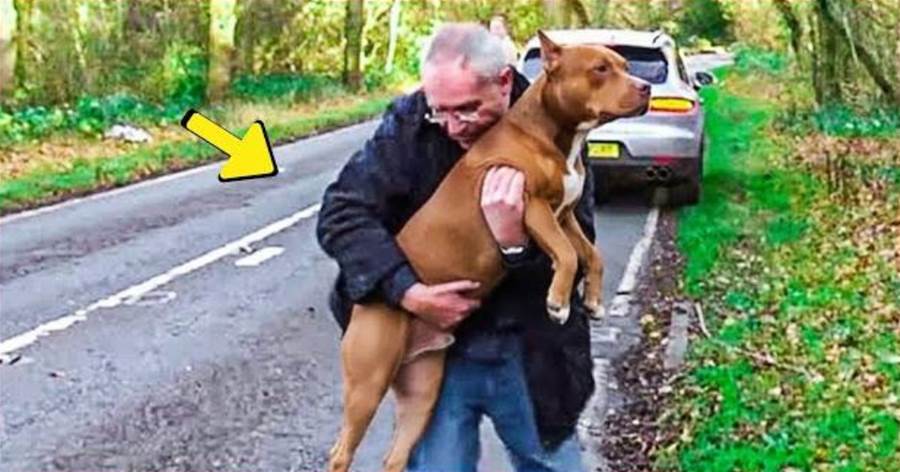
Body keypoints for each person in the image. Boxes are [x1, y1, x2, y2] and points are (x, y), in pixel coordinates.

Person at [316, 23, 596, 472]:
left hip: (529, 352)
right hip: (438, 350)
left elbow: (579, 255)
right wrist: (408, 291)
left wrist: (513, 243)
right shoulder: (411, 124)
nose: (451, 126)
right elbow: (342, 214)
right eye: (440, 111)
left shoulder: (555, 122)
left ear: (504, 81)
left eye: (467, 109)